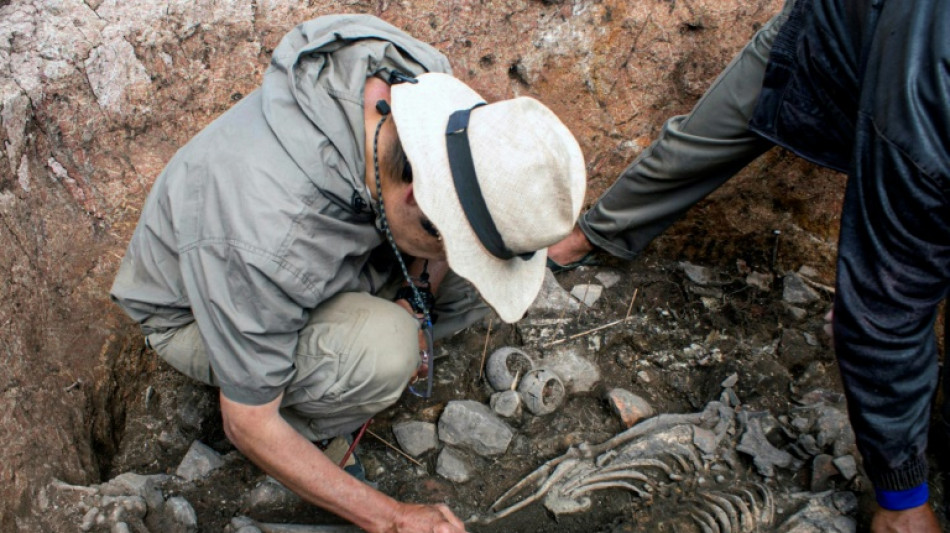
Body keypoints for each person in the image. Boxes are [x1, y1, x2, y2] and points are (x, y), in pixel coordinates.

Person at [110, 14, 586, 533]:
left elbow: (453, 224)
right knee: (386, 352)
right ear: (416, 200)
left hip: (319, 257)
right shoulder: (267, 236)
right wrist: (392, 519)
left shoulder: (423, 90)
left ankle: (368, 341)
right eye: (448, 239)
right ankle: (317, 426)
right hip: (193, 310)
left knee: (465, 290)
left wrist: (416, 296)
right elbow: (247, 423)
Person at [547, 0, 948, 531]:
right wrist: (902, 500)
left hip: (906, 77)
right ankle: (586, 238)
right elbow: (884, 306)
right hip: (834, 35)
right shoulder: (929, 106)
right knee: (698, 143)